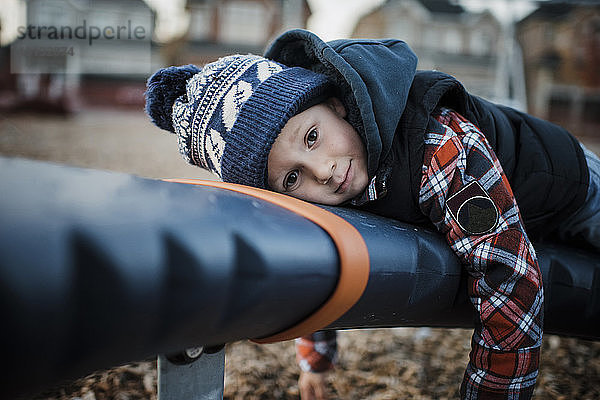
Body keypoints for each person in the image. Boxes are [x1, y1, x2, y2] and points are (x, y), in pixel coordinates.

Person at [145, 29, 599, 399]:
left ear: (336, 104)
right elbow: (315, 253)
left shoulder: (438, 149)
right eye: (291, 179)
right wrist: (316, 363)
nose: (323, 172)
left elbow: (511, 279)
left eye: (312, 137)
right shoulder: (335, 182)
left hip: (573, 188)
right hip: (510, 213)